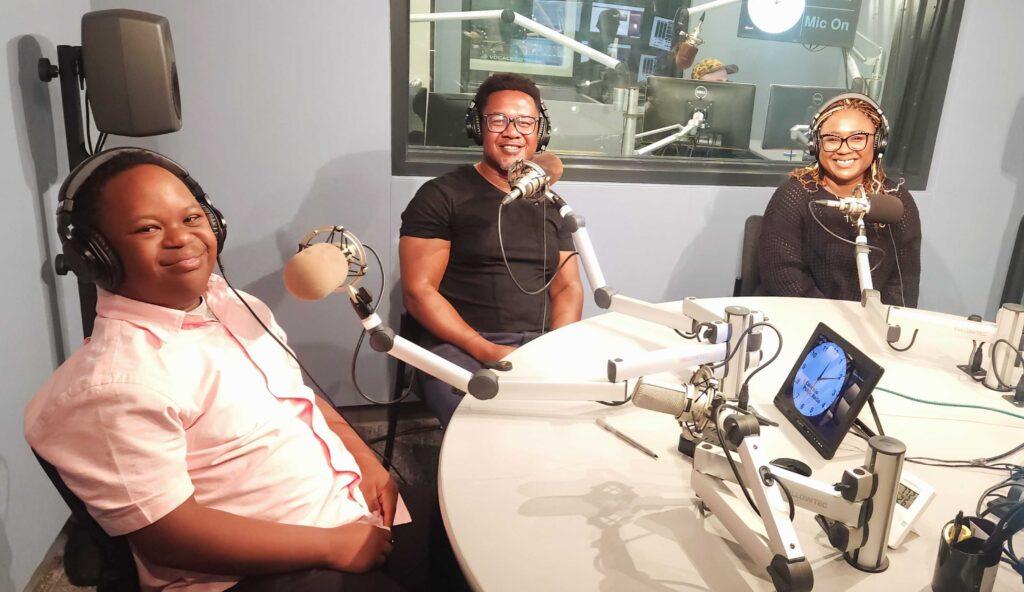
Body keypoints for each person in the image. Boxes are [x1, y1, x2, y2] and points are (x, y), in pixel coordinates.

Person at [25, 148, 420, 592]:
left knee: (472, 531)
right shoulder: (116, 383)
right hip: (258, 573)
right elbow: (170, 537)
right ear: (96, 255)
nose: (181, 238)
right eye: (149, 228)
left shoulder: (234, 304)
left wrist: (366, 461)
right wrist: (332, 546)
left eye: (193, 219)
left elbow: (296, 397)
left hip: (347, 510)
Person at [399, 73, 584, 428]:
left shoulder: (550, 201)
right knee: (488, 426)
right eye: (498, 120)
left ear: (539, 132)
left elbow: (568, 286)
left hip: (538, 344)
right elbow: (418, 293)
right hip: (462, 345)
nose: (512, 132)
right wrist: (485, 349)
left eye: (525, 122)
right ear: (477, 127)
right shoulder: (440, 196)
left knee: (585, 416)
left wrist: (557, 349)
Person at [759, 93, 921, 306]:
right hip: (806, 319)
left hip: (872, 325)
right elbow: (784, 277)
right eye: (832, 139)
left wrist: (882, 326)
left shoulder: (895, 201)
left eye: (857, 138)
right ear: (816, 146)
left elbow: (903, 284)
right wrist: (834, 329)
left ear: (878, 143)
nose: (844, 149)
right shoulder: (793, 196)